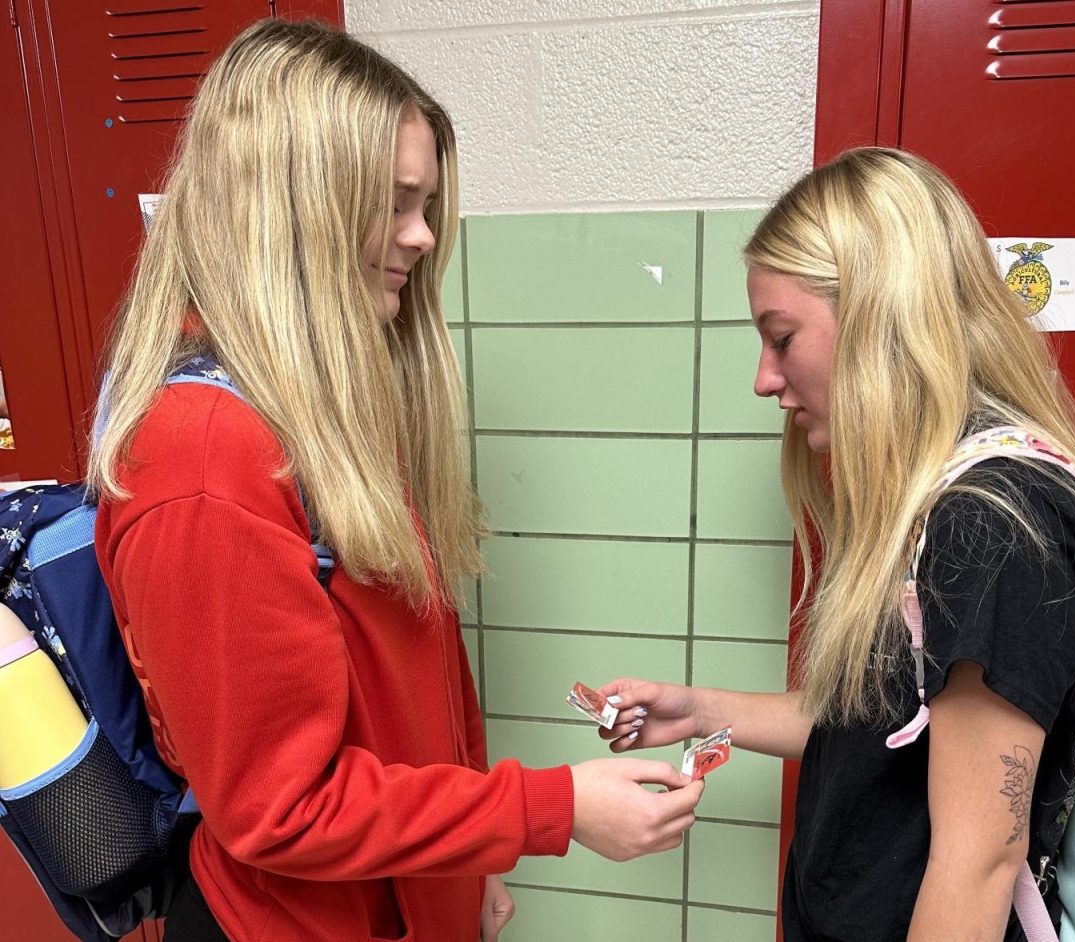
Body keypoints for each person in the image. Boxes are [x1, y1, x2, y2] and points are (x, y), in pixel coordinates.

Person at [90, 19, 703, 942]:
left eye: (427, 205)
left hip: (404, 893)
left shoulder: (314, 417)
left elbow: (427, 672)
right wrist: (549, 810)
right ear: (290, 207)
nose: (422, 239)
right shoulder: (206, 459)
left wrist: (474, 858)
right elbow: (278, 807)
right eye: (395, 203)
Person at [598, 147, 1075, 941]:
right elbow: (875, 731)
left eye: (781, 337)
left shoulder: (989, 523)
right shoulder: (943, 497)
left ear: (875, 319)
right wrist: (701, 711)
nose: (763, 378)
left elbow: (979, 862)